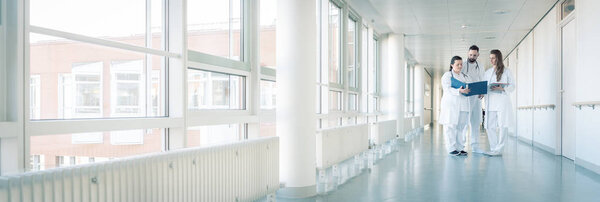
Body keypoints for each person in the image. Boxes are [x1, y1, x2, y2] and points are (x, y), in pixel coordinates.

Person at [483, 49, 515, 156]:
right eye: (490, 58)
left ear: (498, 58)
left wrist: (502, 88)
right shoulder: (487, 72)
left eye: (493, 58)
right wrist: (482, 92)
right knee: (488, 125)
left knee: (502, 125)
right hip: (490, 101)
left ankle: (499, 149)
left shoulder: (507, 71)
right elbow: (484, 86)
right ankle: (494, 147)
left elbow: (512, 86)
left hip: (502, 101)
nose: (491, 60)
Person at [439, 56, 471, 156]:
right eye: (457, 64)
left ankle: (460, 148)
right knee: (450, 126)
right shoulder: (447, 75)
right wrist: (459, 90)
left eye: (461, 64)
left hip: (463, 104)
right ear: (452, 65)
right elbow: (447, 88)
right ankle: (451, 148)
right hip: (451, 105)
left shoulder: (465, 76)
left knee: (462, 127)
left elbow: (470, 87)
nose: (460, 66)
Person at [462, 45, 486, 153]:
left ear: (478, 55)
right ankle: (461, 145)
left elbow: (483, 79)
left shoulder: (480, 65)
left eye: (474, 55)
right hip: (466, 96)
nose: (472, 57)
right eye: (470, 54)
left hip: (477, 96)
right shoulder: (462, 64)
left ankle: (475, 146)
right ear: (468, 53)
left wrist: (483, 91)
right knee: (464, 121)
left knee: (475, 121)